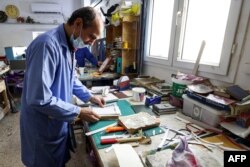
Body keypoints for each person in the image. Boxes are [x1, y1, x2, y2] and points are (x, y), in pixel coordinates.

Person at [20, 7, 105, 167]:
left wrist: (90, 96)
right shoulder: (46, 46)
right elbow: (39, 98)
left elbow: (70, 78)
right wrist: (78, 111)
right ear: (78, 24)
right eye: (91, 37)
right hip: (42, 128)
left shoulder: (69, 45)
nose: (91, 43)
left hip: (57, 122)